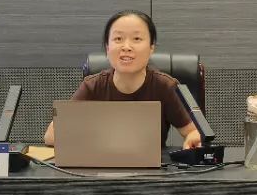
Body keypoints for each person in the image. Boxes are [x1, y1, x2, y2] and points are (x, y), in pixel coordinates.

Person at [44, 10, 202, 150]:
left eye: (137, 38)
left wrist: (194, 138)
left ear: (151, 48)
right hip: (100, 166)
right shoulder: (93, 86)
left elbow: (194, 132)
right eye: (118, 38)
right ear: (107, 48)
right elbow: (51, 137)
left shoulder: (165, 86)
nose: (126, 47)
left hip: (152, 169)